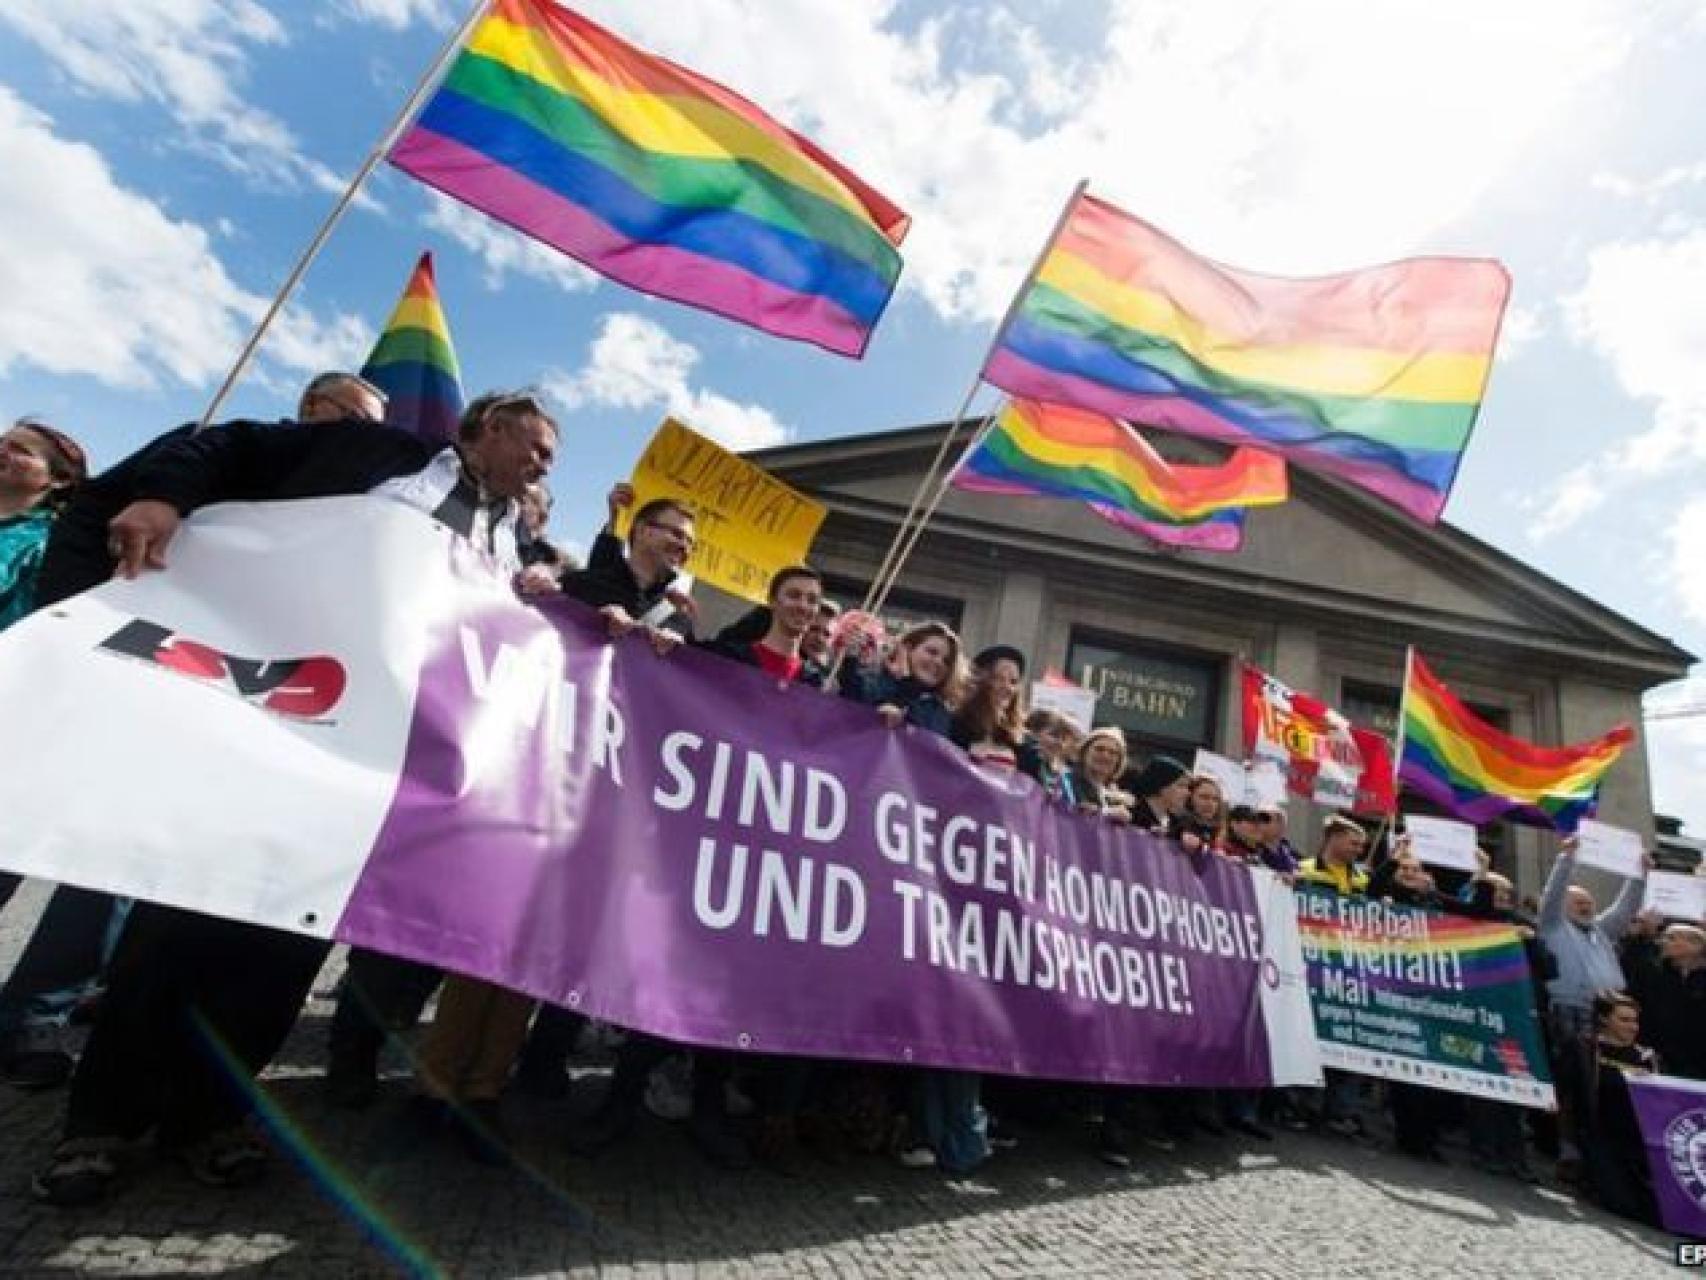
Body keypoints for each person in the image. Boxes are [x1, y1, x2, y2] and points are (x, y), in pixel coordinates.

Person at [31, 390, 559, 1206]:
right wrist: (164, 498)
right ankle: (102, 1125)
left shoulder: (511, 538)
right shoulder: (379, 456)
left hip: (365, 776)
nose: (544, 465)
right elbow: (227, 445)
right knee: (179, 930)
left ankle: (210, 1120)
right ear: (488, 429)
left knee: (282, 957)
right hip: (277, 724)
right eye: (537, 446)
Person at [1536, 836, 1650, 1181]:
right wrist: (1566, 859)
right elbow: (1552, 895)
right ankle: (1567, 1150)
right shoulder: (1553, 926)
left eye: (1588, 902)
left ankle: (1599, 1150)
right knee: (1571, 1084)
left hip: (1606, 1016)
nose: (1585, 906)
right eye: (1578, 902)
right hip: (1568, 1012)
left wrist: (1640, 875)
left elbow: (1626, 908)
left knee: (1599, 1088)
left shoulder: (1602, 931)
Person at [1578, 991, 1660, 1226]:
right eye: (1624, 1020)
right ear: (1604, 1019)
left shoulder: (1647, 1058)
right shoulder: (1586, 1049)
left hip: (1638, 1138)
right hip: (1601, 1135)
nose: (1632, 1027)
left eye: (1635, 1021)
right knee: (1623, 1203)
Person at [1621, 919, 1706, 1081]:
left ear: (1697, 945)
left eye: (1672, 938)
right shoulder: (1652, 973)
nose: (1663, 942)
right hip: (1657, 1060)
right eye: (1665, 937)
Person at [952, 645, 1027, 770]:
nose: (1007, 687)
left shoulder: (1018, 737)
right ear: (982, 680)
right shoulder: (956, 724)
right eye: (999, 678)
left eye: (1013, 681)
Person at [1071, 728, 1133, 825]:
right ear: (1084, 752)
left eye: (1112, 752)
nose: (1105, 756)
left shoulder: (1115, 797)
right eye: (1099, 749)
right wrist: (1105, 813)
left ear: (1118, 762)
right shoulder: (1066, 781)